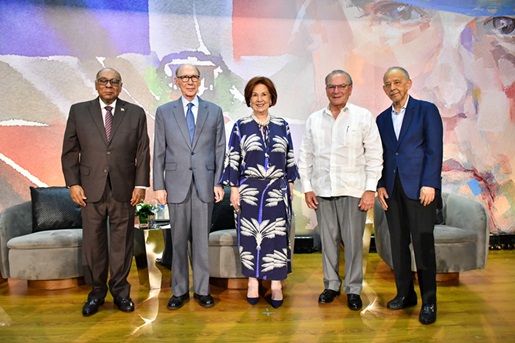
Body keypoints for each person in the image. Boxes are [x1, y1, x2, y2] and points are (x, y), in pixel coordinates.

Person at [61, 67, 150, 316]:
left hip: (125, 189)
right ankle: (96, 292)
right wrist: (73, 184)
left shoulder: (135, 113)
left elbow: (143, 152)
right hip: (89, 190)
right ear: (96, 84)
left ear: (120, 86)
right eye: (104, 81)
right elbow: (70, 151)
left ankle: (121, 293)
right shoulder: (79, 111)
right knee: (94, 244)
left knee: (122, 244)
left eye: (114, 82)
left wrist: (140, 185)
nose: (108, 85)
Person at [297, 70, 383, 311]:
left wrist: (370, 189)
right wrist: (308, 187)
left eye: (341, 86)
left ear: (350, 88)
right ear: (326, 90)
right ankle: (331, 285)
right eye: (332, 87)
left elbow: (375, 154)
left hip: (354, 190)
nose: (336, 91)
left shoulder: (362, 117)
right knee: (328, 241)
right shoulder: (315, 119)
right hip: (323, 191)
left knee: (354, 242)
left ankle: (353, 289)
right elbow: (306, 155)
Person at [220, 76, 299, 308]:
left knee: (276, 238)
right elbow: (233, 157)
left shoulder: (282, 125)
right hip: (249, 190)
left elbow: (289, 156)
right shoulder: (240, 126)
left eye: (264, 94)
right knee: (251, 238)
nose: (259, 99)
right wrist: (233, 189)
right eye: (255, 95)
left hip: (277, 189)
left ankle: (276, 284)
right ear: (249, 99)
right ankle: (252, 282)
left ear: (271, 97)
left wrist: (291, 184)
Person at [153, 64, 226, 310]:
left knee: (201, 242)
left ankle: (203, 290)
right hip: (176, 185)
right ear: (177, 81)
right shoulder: (164, 112)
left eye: (194, 77)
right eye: (184, 77)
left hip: (204, 184)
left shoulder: (214, 111)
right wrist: (159, 185)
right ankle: (179, 291)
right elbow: (159, 152)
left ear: (200, 80)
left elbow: (220, 150)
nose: (190, 81)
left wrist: (218, 182)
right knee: (178, 240)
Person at [376, 66, 443, 325]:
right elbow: (382, 156)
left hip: (420, 191)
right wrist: (381, 184)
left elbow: (434, 149)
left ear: (408, 83)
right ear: (384, 89)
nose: (393, 87)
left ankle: (429, 302)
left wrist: (429, 184)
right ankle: (405, 294)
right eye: (388, 84)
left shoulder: (426, 110)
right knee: (398, 245)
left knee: (423, 246)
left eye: (397, 82)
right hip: (393, 191)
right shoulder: (381, 119)